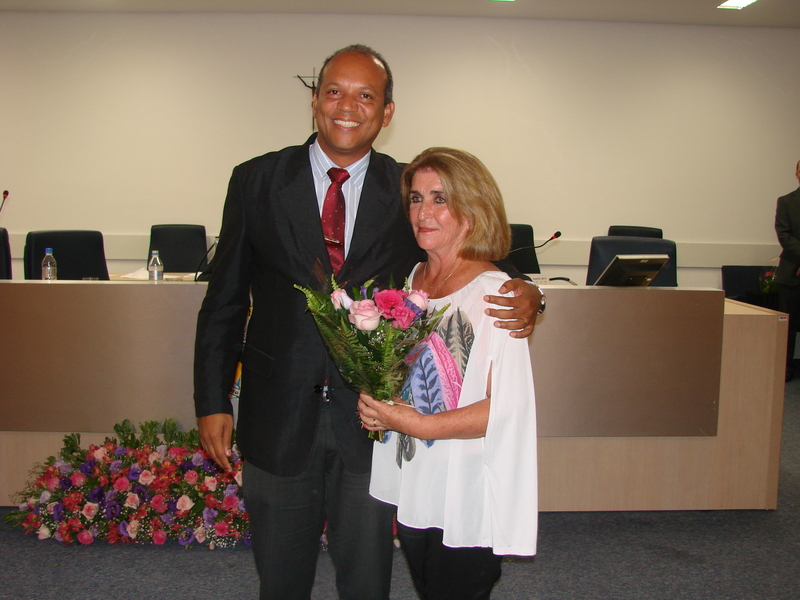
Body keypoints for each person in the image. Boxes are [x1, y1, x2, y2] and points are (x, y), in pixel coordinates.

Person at [193, 45, 542, 600]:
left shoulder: (407, 189)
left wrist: (531, 294)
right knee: (279, 580)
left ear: (386, 111)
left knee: (366, 580)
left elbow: (472, 255)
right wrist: (212, 399)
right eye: (334, 91)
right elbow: (225, 300)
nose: (347, 106)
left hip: (374, 423)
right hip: (276, 412)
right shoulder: (256, 180)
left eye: (365, 95)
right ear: (315, 100)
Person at [358, 147, 538, 600]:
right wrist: (382, 403)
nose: (423, 212)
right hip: (418, 478)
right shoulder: (414, 278)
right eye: (416, 199)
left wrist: (419, 424)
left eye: (440, 199)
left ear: (473, 209)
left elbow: (507, 408)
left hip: (465, 486)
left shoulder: (497, 295)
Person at [775, 160, 800, 381]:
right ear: (797, 174)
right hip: (792, 273)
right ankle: (786, 367)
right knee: (788, 325)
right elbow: (784, 235)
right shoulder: (786, 202)